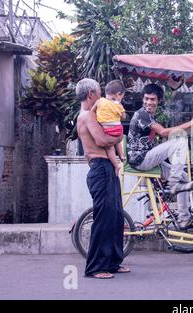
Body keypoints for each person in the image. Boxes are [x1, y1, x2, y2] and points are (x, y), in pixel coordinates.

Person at [127, 83, 193, 229]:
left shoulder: (150, 116)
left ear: (159, 100)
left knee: (184, 177)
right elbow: (163, 132)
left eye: (152, 99)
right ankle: (174, 183)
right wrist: (191, 123)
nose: (149, 102)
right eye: (146, 99)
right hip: (141, 159)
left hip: (147, 158)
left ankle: (184, 218)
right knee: (180, 140)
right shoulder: (142, 114)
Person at [76, 78, 130, 280]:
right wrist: (120, 136)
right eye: (99, 92)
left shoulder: (96, 114)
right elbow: (102, 140)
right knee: (104, 218)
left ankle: (113, 262)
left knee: (116, 216)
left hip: (106, 168)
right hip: (101, 169)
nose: (101, 97)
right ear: (91, 94)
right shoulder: (88, 115)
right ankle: (96, 267)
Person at [92, 79, 127, 176]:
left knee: (110, 148)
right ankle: (121, 155)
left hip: (106, 129)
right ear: (118, 94)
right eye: (122, 97)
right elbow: (123, 117)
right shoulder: (118, 104)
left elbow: (92, 111)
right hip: (118, 129)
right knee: (118, 141)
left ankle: (116, 165)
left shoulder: (99, 101)